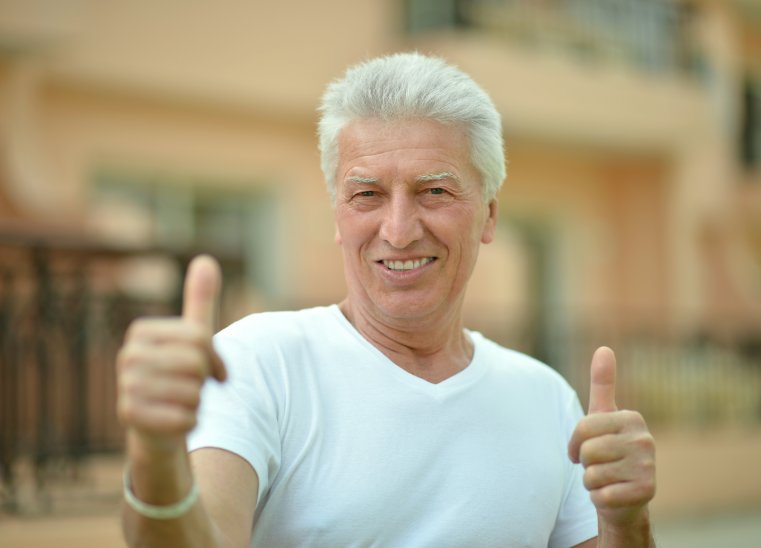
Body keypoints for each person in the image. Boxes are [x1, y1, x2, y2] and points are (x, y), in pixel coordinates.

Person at [116, 52, 656, 547]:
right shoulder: (255, 363)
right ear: (338, 215)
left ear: (489, 215)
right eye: (367, 194)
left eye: (434, 191)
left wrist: (628, 525)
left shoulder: (547, 400)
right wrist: (155, 459)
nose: (398, 231)